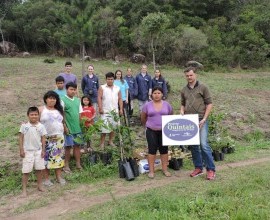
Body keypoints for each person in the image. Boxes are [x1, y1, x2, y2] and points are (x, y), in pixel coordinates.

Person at [180, 67, 216, 180]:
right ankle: (198, 168)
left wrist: (204, 118)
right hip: (189, 121)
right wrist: (181, 111)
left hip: (201, 119)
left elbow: (209, 104)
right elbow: (182, 104)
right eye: (187, 76)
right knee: (194, 146)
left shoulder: (203, 87)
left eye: (191, 75)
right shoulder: (184, 90)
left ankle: (210, 170)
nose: (189, 77)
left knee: (203, 144)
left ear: (195, 75)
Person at [141, 87, 173, 179]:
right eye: (155, 93)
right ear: (152, 95)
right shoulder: (147, 105)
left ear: (162, 94)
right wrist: (146, 126)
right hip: (151, 130)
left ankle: (165, 169)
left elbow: (171, 115)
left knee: (164, 150)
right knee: (152, 150)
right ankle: (151, 171)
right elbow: (143, 117)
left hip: (164, 131)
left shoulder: (167, 105)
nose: (157, 95)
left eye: (159, 93)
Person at [39, 91, 66, 186]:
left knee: (58, 158)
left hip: (59, 138)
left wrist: (66, 130)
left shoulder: (59, 109)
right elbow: (35, 122)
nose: (52, 100)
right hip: (46, 139)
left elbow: (63, 122)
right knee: (46, 159)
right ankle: (46, 179)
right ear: (46, 99)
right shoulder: (41, 109)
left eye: (54, 98)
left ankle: (58, 177)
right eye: (50, 98)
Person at [19, 107, 47, 197]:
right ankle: (24, 190)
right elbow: (21, 138)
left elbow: (43, 138)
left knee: (39, 169)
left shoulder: (41, 126)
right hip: (27, 152)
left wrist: (43, 150)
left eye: (36, 114)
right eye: (32, 114)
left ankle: (40, 185)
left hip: (38, 151)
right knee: (26, 171)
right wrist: (21, 149)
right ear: (28, 116)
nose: (34, 116)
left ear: (38, 115)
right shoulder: (24, 126)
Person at [97, 72, 123, 149]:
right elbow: (99, 97)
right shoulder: (102, 87)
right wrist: (100, 108)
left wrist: (121, 109)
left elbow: (120, 99)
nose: (110, 80)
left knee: (114, 127)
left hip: (115, 111)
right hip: (105, 111)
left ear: (113, 79)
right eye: (108, 79)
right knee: (104, 128)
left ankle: (110, 141)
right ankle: (102, 143)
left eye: (111, 79)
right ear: (106, 79)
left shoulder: (117, 88)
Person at [61, 82, 83, 172]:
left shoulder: (78, 100)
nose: (73, 91)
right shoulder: (62, 100)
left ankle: (78, 164)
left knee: (77, 146)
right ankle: (66, 165)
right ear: (67, 90)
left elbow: (79, 114)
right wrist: (64, 126)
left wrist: (81, 125)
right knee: (68, 147)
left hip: (77, 128)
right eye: (71, 89)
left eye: (74, 89)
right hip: (68, 129)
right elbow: (61, 114)